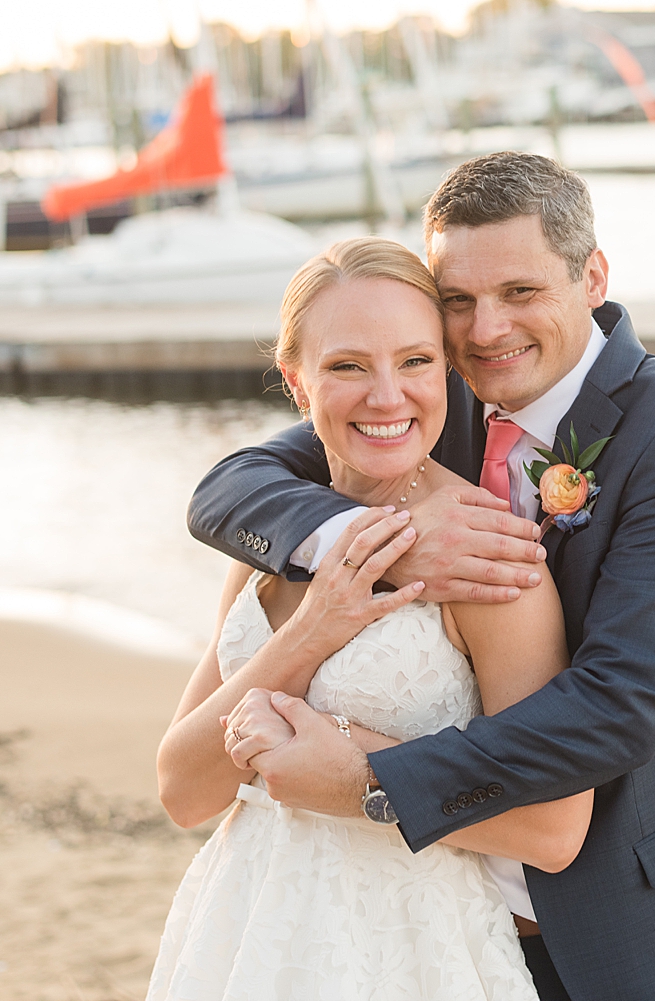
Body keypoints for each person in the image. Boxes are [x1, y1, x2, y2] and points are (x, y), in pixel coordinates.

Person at [187, 152, 655, 1001]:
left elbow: (617, 706)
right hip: (434, 919)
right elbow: (232, 487)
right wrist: (377, 543)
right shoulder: (425, 394)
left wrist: (368, 780)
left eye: (520, 292)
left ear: (591, 276)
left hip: (626, 913)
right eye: (458, 301)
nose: (485, 331)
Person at [150, 236, 588, 999]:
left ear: (449, 372)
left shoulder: (487, 560)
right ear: (296, 381)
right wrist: (316, 627)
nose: (387, 397)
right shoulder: (276, 543)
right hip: (246, 934)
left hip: (412, 949)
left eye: (416, 361)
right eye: (348, 366)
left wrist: (353, 767)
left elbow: (552, 830)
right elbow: (184, 789)